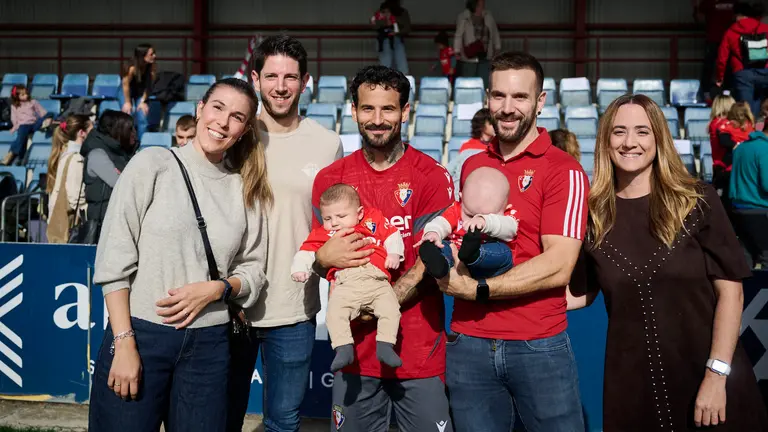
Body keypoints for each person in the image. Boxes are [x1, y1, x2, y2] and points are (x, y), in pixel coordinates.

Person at [567, 93, 768, 431]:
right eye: (619, 132)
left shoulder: (697, 201)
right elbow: (581, 293)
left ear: (659, 138)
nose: (630, 142)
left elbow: (731, 295)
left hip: (708, 381)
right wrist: (502, 293)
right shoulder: (592, 216)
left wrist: (716, 376)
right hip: (632, 390)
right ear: (605, 141)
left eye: (642, 131)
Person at [88, 78, 271, 432]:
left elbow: (254, 269)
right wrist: (124, 343)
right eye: (217, 108)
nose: (222, 121)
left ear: (245, 129)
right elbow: (113, 261)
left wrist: (218, 289)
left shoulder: (243, 187)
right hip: (141, 334)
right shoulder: (152, 164)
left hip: (210, 345)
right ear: (200, 109)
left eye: (236, 116)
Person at [439, 51, 588, 432]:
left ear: (539, 102)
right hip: (468, 342)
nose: (507, 108)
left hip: (537, 344)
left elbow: (559, 265)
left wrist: (479, 290)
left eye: (520, 97)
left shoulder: (564, 170)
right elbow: (460, 234)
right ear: (488, 98)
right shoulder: (472, 164)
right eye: (499, 96)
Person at [311, 65, 455, 432]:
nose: (377, 120)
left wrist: (385, 298)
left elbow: (432, 255)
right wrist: (318, 262)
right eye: (367, 109)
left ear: (405, 111)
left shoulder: (432, 176)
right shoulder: (331, 181)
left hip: (419, 350)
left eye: (388, 109)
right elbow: (322, 253)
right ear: (354, 110)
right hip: (355, 353)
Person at [226, 35, 343, 432]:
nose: (280, 86)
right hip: (230, 304)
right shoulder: (234, 136)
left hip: (293, 307)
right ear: (255, 78)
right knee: (220, 416)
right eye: (272, 76)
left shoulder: (328, 145)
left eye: (290, 77)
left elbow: (334, 223)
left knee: (283, 422)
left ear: (305, 81)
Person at [291, 184, 404, 372]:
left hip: (376, 279)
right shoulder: (323, 234)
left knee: (391, 309)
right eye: (327, 218)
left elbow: (392, 234)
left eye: (341, 216)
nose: (334, 223)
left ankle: (385, 346)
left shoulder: (372, 220)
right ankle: (343, 348)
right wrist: (299, 269)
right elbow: (306, 252)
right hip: (345, 283)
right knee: (334, 314)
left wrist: (394, 253)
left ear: (359, 213)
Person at [416, 166, 517, 280]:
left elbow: (511, 229)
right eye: (469, 215)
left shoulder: (508, 215)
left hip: (490, 262)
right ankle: (439, 264)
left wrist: (485, 222)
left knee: (504, 253)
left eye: (488, 215)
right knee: (443, 245)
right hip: (458, 255)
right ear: (461, 198)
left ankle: (474, 255)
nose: (473, 221)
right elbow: (441, 222)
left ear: (505, 206)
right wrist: (433, 232)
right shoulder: (456, 209)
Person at [80, 110, 137, 242]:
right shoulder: (97, 154)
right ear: (118, 131)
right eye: (130, 129)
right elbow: (122, 183)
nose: (134, 132)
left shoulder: (123, 153)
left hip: (121, 222)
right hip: (104, 225)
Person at [715, 2, 768, 116]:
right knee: (761, 105)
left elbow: (722, 58)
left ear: (736, 15)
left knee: (746, 111)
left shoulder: (730, 31)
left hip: (742, 73)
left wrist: (720, 77)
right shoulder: (764, 28)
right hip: (764, 72)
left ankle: (750, 130)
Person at [46, 114, 92, 243]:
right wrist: (91, 216)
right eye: (91, 129)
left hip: (61, 222)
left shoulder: (66, 154)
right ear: (82, 133)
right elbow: (75, 196)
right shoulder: (76, 158)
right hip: (70, 225)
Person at [729, 123, 768, 268]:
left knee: (746, 257)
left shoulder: (742, 147)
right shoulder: (765, 149)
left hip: (739, 210)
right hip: (760, 210)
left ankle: (746, 291)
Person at [454, 0, 501, 89]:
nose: (483, 4)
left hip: (485, 55)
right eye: (480, 3)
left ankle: (483, 101)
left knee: (483, 83)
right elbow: (458, 35)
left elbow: (494, 32)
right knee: (468, 83)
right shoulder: (463, 17)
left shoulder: (488, 16)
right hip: (469, 56)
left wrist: (497, 47)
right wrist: (457, 51)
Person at [694, 0, 736, 100]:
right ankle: (706, 93)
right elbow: (699, 17)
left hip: (729, 39)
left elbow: (738, 16)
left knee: (729, 67)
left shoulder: (734, 1)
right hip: (713, 39)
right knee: (708, 66)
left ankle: (726, 94)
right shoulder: (708, 2)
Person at [3, 85, 53, 165]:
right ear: (17, 96)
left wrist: (46, 117)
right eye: (23, 95)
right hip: (23, 125)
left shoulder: (33, 102)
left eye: (26, 93)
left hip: (33, 124)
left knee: (48, 115)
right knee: (22, 136)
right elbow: (14, 118)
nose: (26, 95)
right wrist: (15, 127)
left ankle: (13, 153)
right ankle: (18, 157)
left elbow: (42, 112)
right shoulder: (14, 106)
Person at [121, 43, 157, 139]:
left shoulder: (152, 67)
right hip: (126, 91)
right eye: (151, 54)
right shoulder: (131, 67)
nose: (154, 56)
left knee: (142, 116)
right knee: (127, 114)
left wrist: (143, 101)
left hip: (141, 92)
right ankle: (126, 142)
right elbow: (125, 85)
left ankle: (141, 144)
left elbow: (149, 86)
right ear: (143, 55)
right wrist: (128, 102)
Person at [371, 0, 411, 74]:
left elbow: (407, 28)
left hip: (397, 39)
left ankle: (402, 82)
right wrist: (386, 22)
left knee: (401, 65)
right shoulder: (381, 11)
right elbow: (374, 25)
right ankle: (385, 82)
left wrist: (396, 31)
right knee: (385, 65)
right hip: (384, 39)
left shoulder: (402, 12)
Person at [709, 92, 736, 173]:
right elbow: (726, 142)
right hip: (726, 167)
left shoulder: (714, 123)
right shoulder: (723, 124)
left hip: (719, 166)